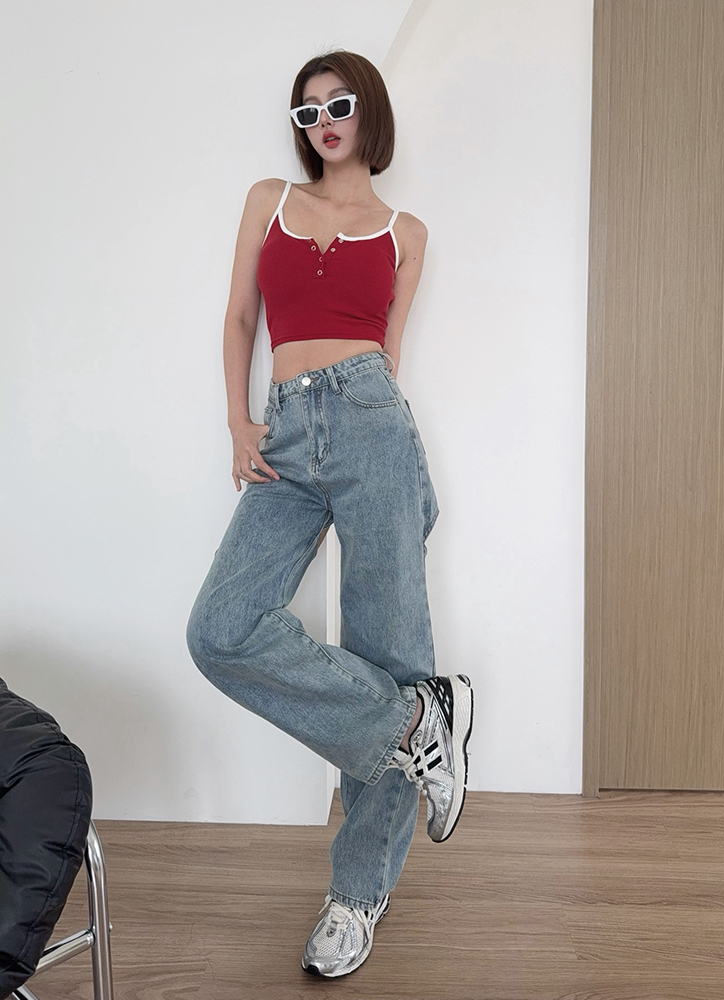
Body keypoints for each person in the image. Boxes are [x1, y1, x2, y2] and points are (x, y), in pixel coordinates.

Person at [186, 49, 474, 978]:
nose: (323, 122)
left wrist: (384, 450)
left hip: (371, 422)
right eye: (307, 111)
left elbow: (387, 354)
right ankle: (414, 723)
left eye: (339, 104)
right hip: (283, 426)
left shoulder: (405, 232)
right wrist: (240, 422)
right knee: (220, 628)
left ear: (368, 111)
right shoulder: (269, 199)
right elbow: (240, 318)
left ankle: (357, 894)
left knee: (388, 646)